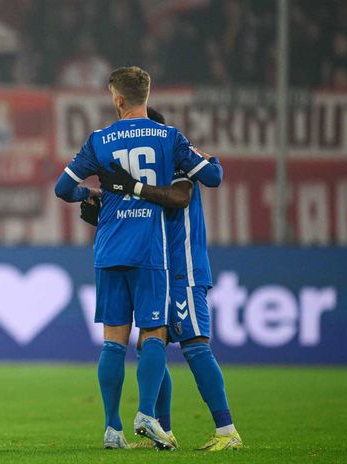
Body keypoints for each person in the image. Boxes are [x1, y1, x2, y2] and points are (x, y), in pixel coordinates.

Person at [53, 66, 222, 450]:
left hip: (109, 248)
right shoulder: (169, 138)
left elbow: (64, 188)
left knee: (113, 341)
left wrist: (90, 197)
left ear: (116, 98)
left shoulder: (99, 140)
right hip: (151, 251)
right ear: (147, 94)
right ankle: (146, 413)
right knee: (153, 335)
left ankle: (113, 430)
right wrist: (211, 160)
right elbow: (210, 178)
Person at [94, 108, 243, 451]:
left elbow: (180, 197)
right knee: (150, 343)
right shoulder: (151, 169)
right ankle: (162, 431)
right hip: (157, 264)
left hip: (183, 267)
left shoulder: (176, 160)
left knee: (195, 347)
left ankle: (227, 430)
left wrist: (132, 186)